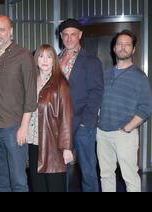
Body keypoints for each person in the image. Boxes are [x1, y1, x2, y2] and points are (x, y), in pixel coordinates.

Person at [0, 15, 37, 192]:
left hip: (13, 128)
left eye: (1, 29)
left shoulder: (24, 55)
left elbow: (31, 94)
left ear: (11, 31)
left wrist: (24, 127)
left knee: (19, 180)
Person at [97, 30, 152, 192]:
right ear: (114, 48)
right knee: (106, 175)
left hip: (125, 134)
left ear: (133, 50)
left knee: (130, 177)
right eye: (119, 44)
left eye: (127, 44)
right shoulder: (105, 74)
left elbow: (146, 107)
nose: (123, 47)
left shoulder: (139, 77)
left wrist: (128, 127)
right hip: (102, 133)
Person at [58, 18, 104, 192]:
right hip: (60, 123)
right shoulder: (55, 59)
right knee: (61, 169)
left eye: (73, 34)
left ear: (80, 35)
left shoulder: (91, 61)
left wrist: (87, 122)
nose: (69, 38)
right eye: (66, 35)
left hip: (82, 123)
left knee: (87, 170)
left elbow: (97, 92)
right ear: (61, 36)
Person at [27, 44, 74, 192]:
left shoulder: (61, 84)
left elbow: (67, 117)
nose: (45, 60)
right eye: (41, 56)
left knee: (55, 187)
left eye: (49, 56)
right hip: (33, 143)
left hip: (53, 145)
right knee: (38, 186)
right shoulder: (30, 82)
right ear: (36, 59)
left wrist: (67, 148)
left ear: (54, 60)